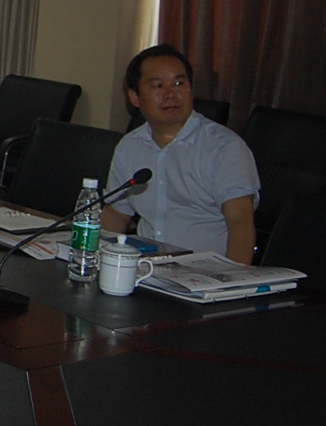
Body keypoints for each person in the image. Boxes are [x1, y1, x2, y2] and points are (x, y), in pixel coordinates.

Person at [101, 44, 260, 263]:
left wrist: (234, 279)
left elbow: (241, 223)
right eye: (158, 85)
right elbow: (118, 214)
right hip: (145, 268)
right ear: (135, 97)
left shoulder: (225, 147)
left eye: (179, 83)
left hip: (205, 273)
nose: (170, 94)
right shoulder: (130, 146)